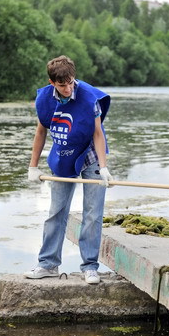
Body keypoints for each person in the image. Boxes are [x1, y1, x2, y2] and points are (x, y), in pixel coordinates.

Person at [24, 55, 113, 285]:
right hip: (64, 156)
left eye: (71, 82)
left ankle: (90, 267)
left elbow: (97, 132)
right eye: (62, 84)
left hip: (92, 156)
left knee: (92, 214)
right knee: (56, 212)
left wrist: (103, 167)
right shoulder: (45, 100)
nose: (67, 88)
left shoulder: (88, 97)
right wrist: (33, 166)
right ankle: (48, 264)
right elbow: (41, 132)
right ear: (52, 82)